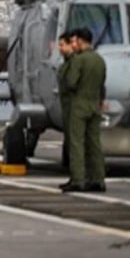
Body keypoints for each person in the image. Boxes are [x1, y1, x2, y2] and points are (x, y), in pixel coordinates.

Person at [62, 28, 107, 193]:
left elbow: (71, 83)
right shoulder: (99, 60)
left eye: (75, 41)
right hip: (95, 105)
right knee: (95, 144)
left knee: (76, 143)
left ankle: (78, 179)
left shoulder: (78, 60)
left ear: (81, 41)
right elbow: (102, 85)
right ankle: (98, 179)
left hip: (79, 106)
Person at [56, 32, 76, 170]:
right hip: (68, 105)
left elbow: (72, 83)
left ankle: (78, 174)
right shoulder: (68, 63)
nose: (60, 48)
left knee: (75, 140)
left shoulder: (75, 63)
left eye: (62, 45)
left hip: (73, 105)